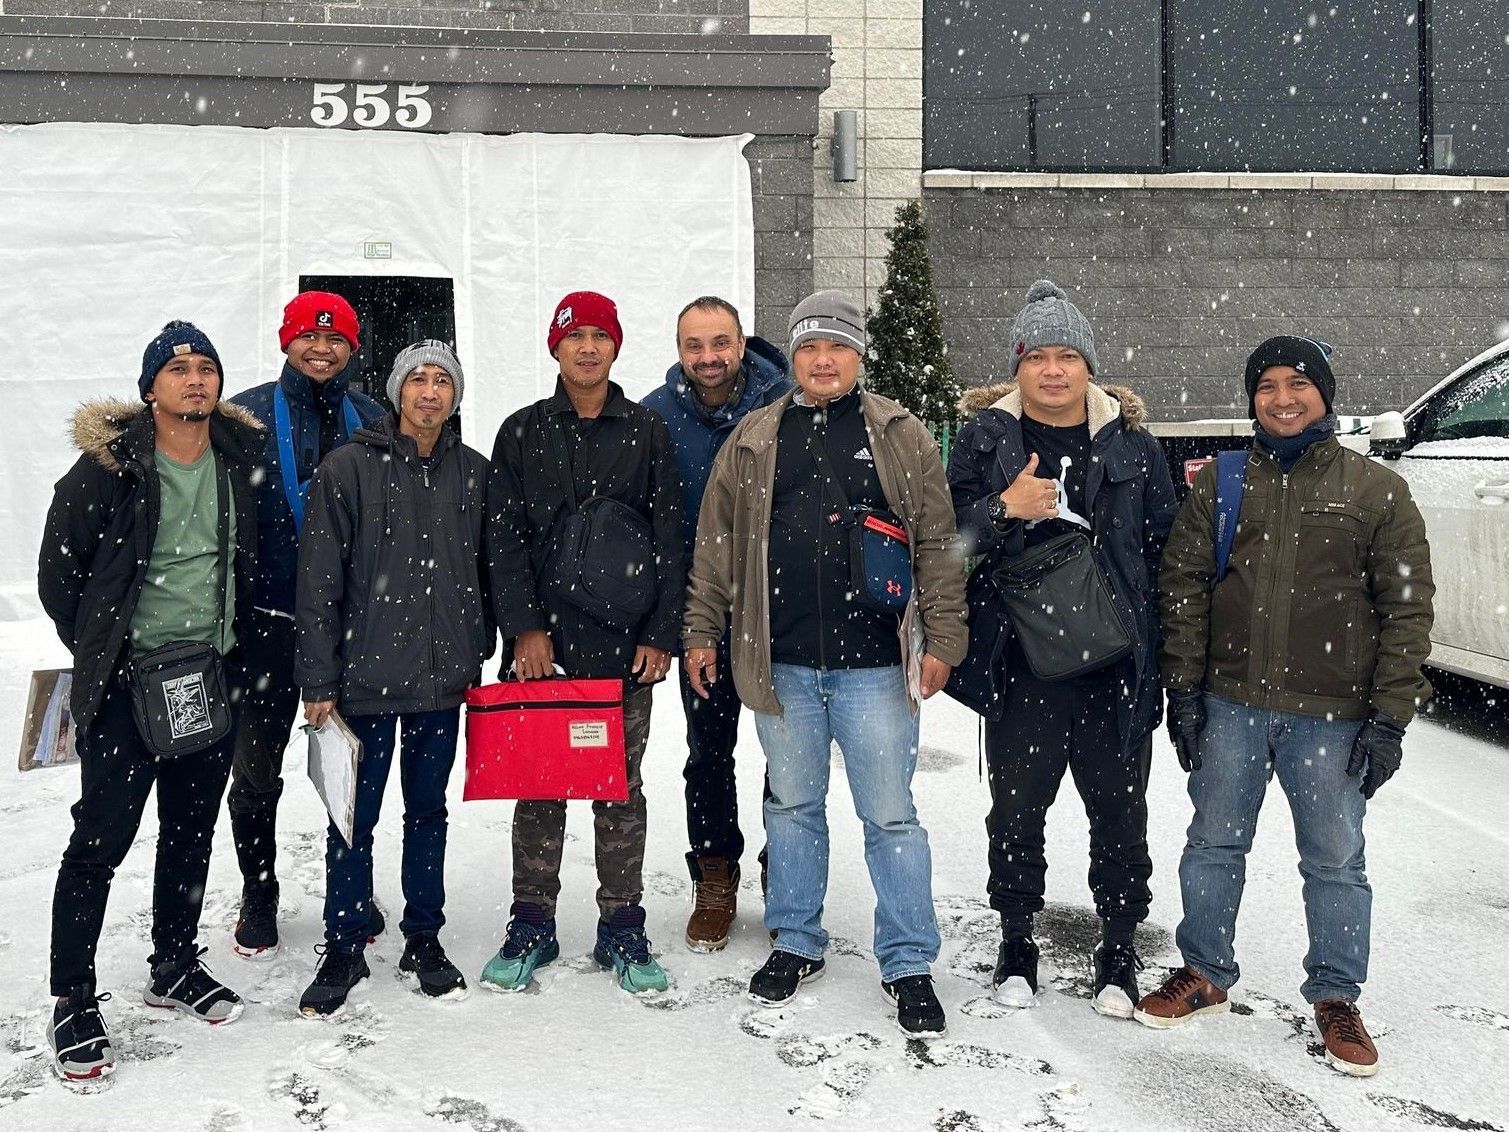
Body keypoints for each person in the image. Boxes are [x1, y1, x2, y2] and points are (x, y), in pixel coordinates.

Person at [1136, 336, 1434, 1077]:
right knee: (1212, 845)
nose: (1281, 397)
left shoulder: (1375, 491)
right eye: (1266, 385)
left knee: (1333, 860)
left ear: (1324, 394)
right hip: (1230, 703)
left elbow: (1406, 611)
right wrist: (1184, 691)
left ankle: (1335, 996)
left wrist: (1390, 717)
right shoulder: (1221, 483)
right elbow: (1183, 590)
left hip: (1330, 714)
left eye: (1297, 383)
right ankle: (1204, 972)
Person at [683, 290, 968, 1037]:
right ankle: (796, 939)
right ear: (793, 357)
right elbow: (716, 547)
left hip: (876, 664)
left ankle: (907, 959)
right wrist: (701, 631)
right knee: (792, 809)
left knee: (890, 816)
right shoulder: (752, 437)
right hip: (782, 665)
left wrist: (942, 640)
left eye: (836, 347)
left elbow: (935, 542)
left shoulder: (898, 435)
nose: (821, 360)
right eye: (808, 347)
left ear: (857, 356)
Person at [39, 321, 266, 1081]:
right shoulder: (108, 468)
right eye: (178, 370)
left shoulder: (237, 459)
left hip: (205, 677)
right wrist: (108, 648)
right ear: (150, 389)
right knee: (99, 843)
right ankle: (73, 997)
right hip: (127, 686)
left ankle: (173, 964)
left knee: (190, 832)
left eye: (207, 368)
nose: (195, 380)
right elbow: (59, 575)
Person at [946, 280, 1178, 1019]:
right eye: (1037, 356)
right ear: (1015, 368)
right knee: (1015, 812)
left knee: (1119, 812)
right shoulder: (985, 439)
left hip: (1116, 665)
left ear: (1089, 366)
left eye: (1067, 356)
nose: (1052, 370)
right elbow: (945, 545)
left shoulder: (1133, 445)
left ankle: (1117, 948)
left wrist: (1166, 663)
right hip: (1021, 664)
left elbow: (1166, 556)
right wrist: (998, 510)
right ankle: (1017, 939)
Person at [481, 291, 684, 995]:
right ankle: (531, 922)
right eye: (576, 336)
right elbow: (502, 542)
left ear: (616, 347)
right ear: (555, 347)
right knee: (539, 789)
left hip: (624, 653)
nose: (588, 347)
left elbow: (670, 538)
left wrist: (660, 635)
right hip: (546, 655)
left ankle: (621, 927)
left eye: (601, 335)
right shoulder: (523, 433)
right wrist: (525, 629)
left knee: (618, 791)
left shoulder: (647, 432)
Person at [293, 340, 492, 1016]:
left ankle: (423, 934)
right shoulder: (347, 469)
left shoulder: (474, 473)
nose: (430, 392)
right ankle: (345, 939)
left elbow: (491, 571)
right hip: (364, 681)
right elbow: (318, 585)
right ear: (398, 390)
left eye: (443, 381)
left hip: (442, 680)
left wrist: (479, 643)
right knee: (353, 817)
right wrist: (318, 679)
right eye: (419, 380)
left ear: (455, 395)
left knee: (428, 812)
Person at [225, 291, 385, 958]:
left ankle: (348, 888)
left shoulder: (374, 418)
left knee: (347, 765)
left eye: (336, 339)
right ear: (286, 341)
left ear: (352, 348)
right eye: (309, 337)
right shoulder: (246, 418)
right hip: (265, 625)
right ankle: (258, 890)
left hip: (351, 628)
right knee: (256, 768)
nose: (322, 349)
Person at [641, 296, 791, 951]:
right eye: (694, 345)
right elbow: (647, 522)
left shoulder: (787, 406)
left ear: (741, 342)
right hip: (701, 612)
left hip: (782, 611)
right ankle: (715, 874)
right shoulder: (656, 415)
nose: (708, 358)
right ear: (679, 350)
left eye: (719, 343)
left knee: (789, 755)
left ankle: (785, 872)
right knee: (708, 753)